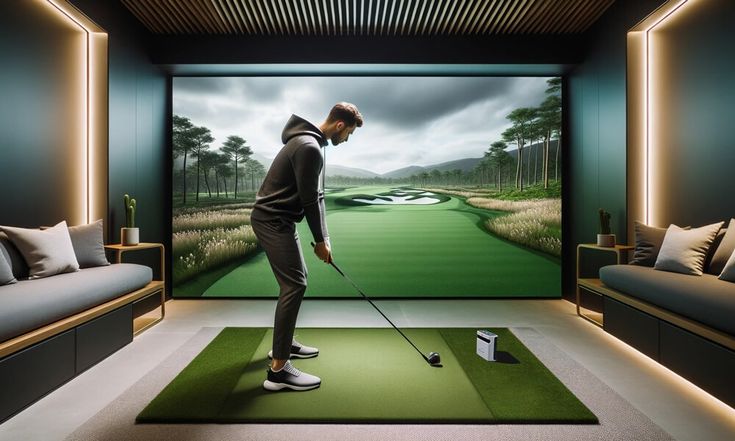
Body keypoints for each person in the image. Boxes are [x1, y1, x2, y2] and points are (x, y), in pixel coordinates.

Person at [251, 102, 363, 391]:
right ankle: (278, 371)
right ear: (340, 125)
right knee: (295, 285)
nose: (347, 139)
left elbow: (318, 196)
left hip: (282, 221)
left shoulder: (312, 144)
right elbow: (309, 201)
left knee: (298, 280)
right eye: (348, 133)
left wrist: (325, 238)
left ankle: (284, 345)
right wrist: (319, 242)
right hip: (272, 221)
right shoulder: (309, 147)